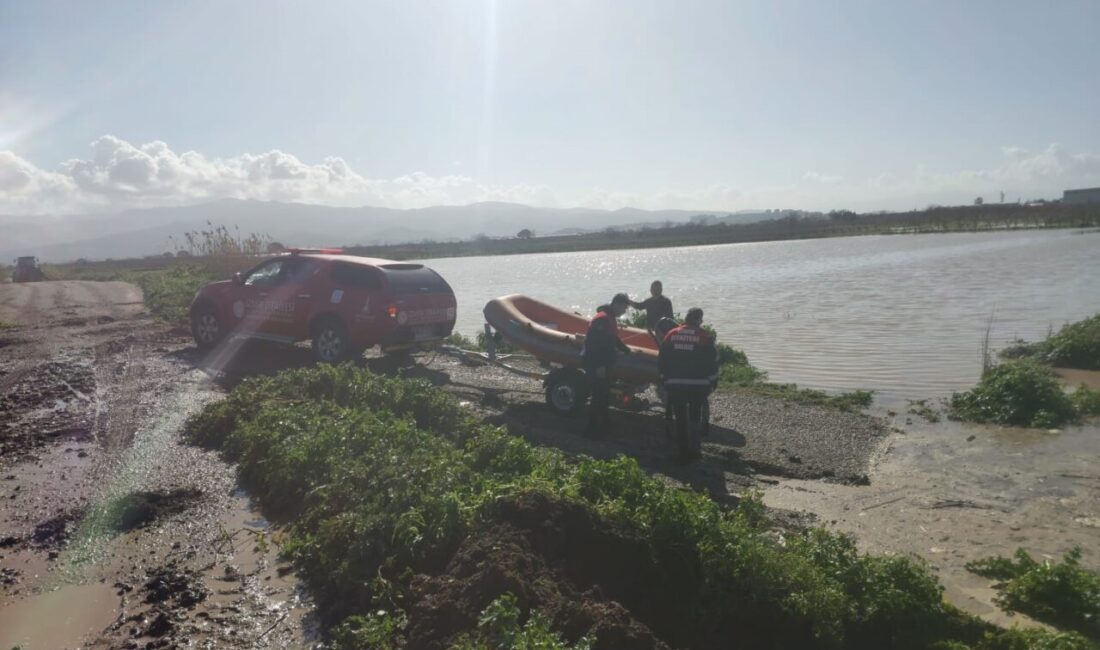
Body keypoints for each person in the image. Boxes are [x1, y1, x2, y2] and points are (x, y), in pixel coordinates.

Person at [659, 307, 718, 461]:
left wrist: (664, 378)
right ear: (699, 320)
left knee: (680, 418)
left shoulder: (671, 335)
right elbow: (712, 363)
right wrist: (712, 382)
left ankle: (682, 452)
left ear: (686, 318)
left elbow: (662, 359)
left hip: (676, 384)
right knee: (694, 416)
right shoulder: (704, 336)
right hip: (698, 386)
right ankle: (695, 451)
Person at [582, 293, 631, 435]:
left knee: (604, 394)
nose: (624, 311)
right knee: (598, 396)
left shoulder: (610, 318)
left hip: (604, 363)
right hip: (597, 364)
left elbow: (613, 338)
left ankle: (604, 422)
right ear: (617, 304)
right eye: (624, 308)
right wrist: (600, 366)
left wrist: (626, 350)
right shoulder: (602, 319)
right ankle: (592, 429)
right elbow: (594, 345)